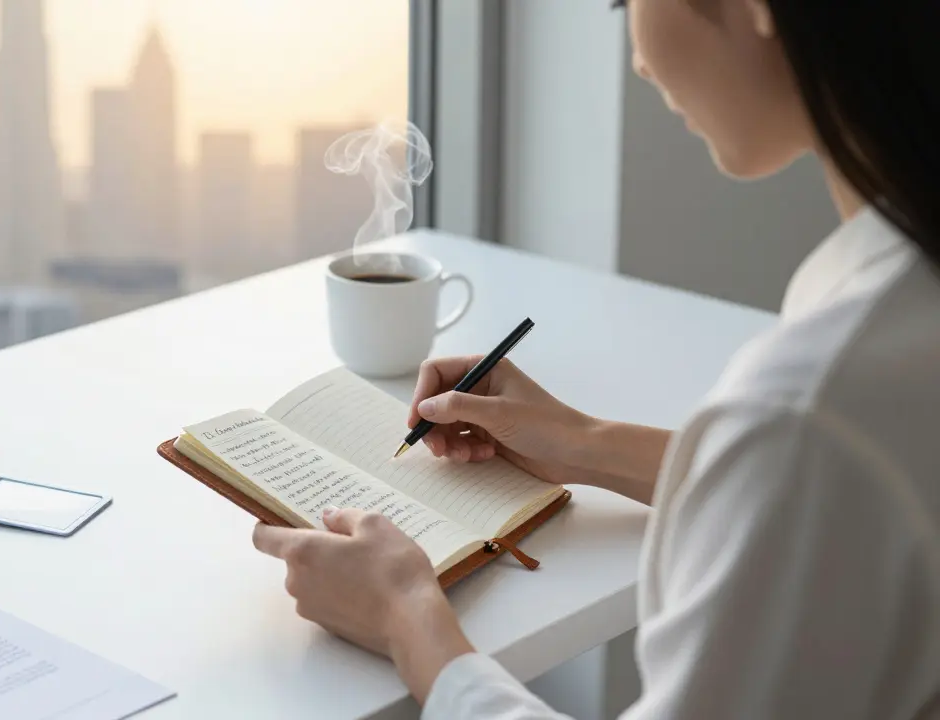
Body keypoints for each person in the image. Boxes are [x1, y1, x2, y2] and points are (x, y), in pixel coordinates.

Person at [251, 0, 940, 717]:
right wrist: (585, 444)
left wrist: (406, 619)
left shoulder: (812, 410)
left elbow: (804, 460)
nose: (638, 60)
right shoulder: (875, 351)